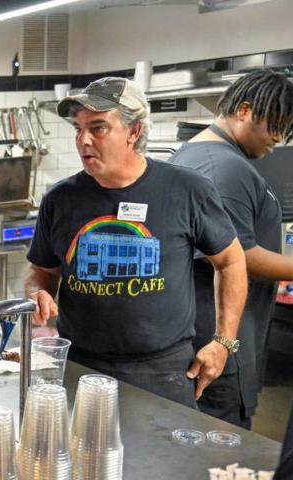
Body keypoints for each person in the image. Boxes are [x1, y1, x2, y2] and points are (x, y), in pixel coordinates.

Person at [26, 77, 247, 408]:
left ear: (134, 131)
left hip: (163, 373)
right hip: (80, 365)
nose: (83, 140)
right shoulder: (60, 199)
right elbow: (41, 270)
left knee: (164, 461)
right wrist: (37, 292)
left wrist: (224, 342)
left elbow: (231, 261)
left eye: (98, 128)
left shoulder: (187, 190)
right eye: (78, 128)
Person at [169, 69, 293, 429]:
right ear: (244, 110)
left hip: (206, 335)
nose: (279, 138)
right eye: (275, 125)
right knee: (218, 456)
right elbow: (243, 257)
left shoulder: (198, 155)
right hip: (219, 342)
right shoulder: (224, 168)